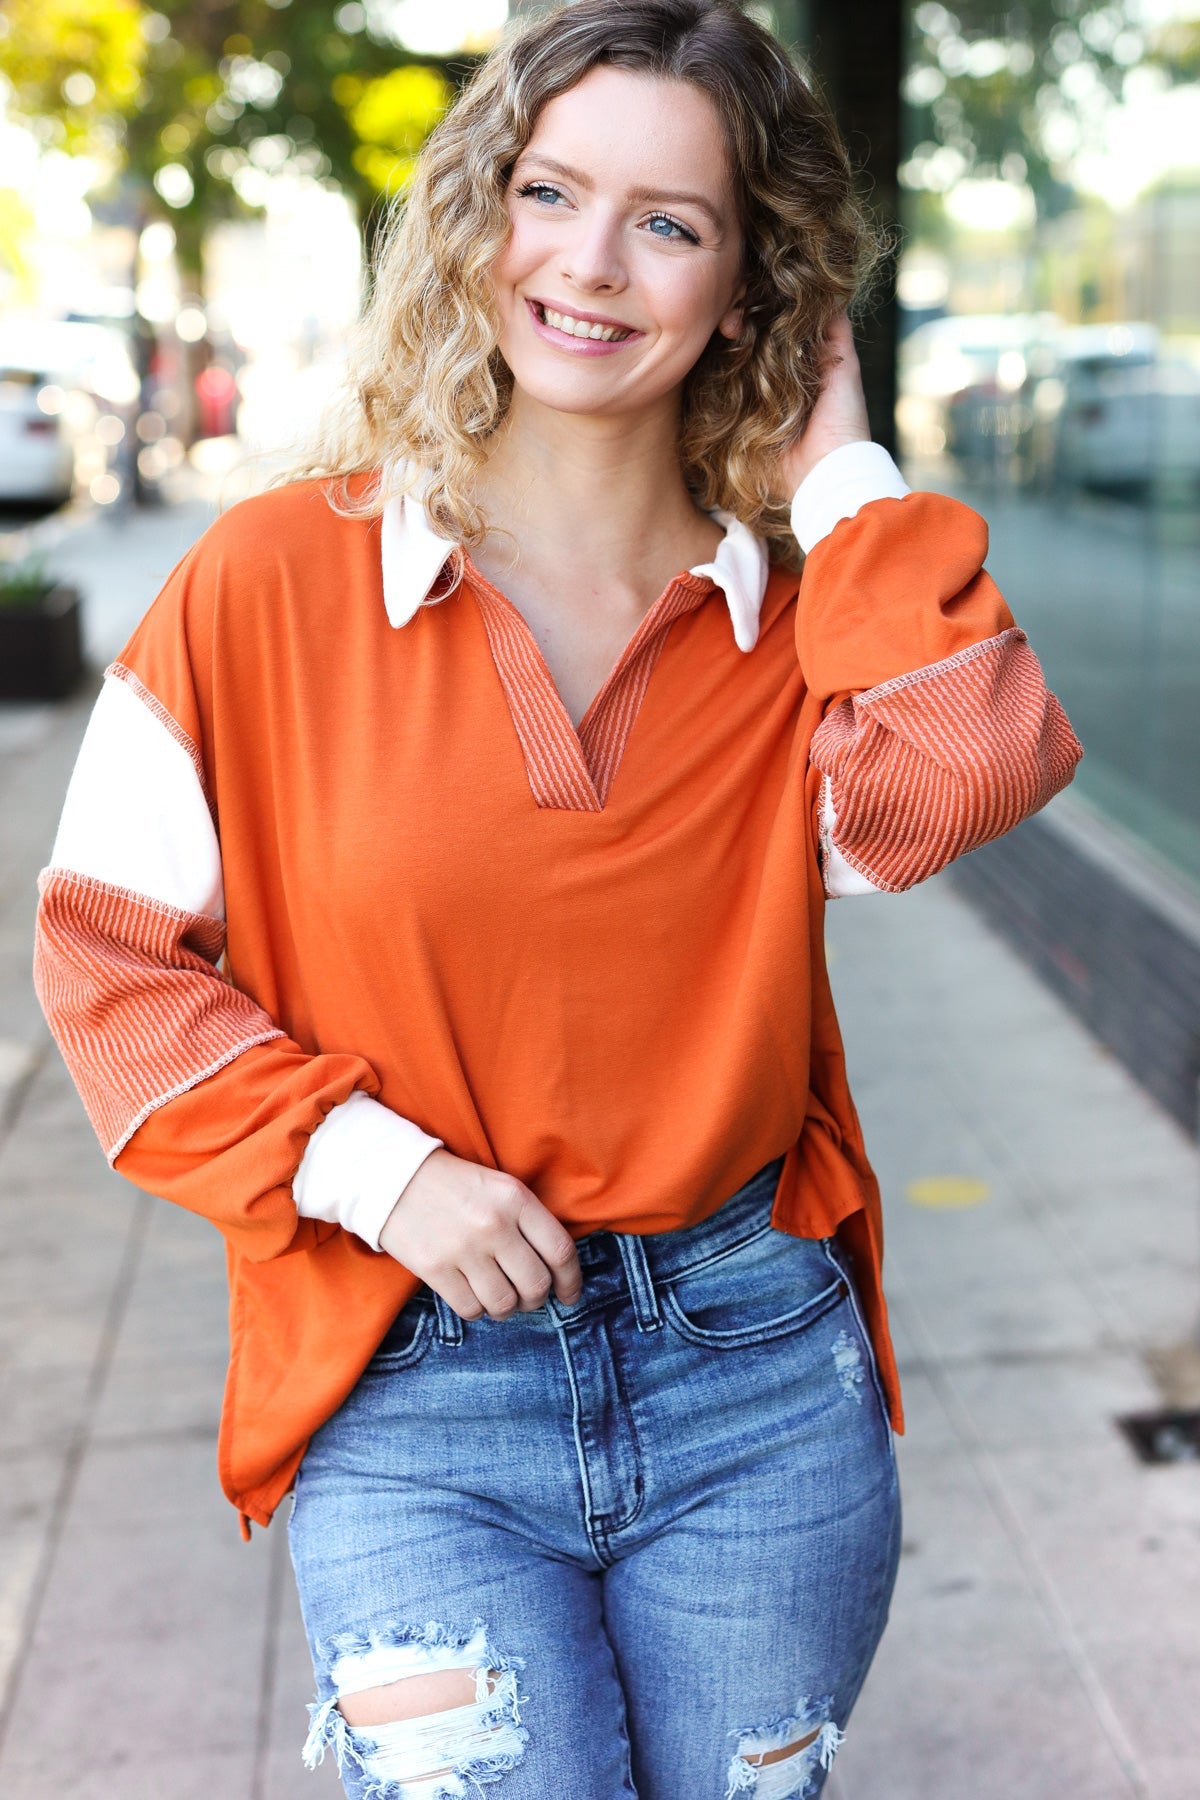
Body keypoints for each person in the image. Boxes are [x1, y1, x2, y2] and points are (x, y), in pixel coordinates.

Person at [33, 2, 1083, 1794]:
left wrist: (841, 474)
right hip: (409, 1377)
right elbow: (109, 966)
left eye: (671, 222)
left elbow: (956, 776)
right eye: (548, 192)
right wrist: (382, 1173)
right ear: (478, 216)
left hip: (759, 1371)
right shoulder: (274, 580)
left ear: (757, 286)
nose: (589, 265)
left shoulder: (799, 623)